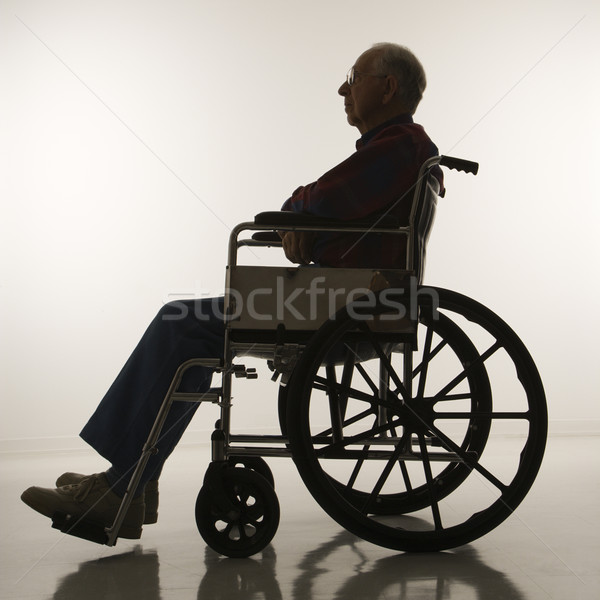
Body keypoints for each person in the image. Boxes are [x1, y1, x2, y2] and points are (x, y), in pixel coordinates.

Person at [21, 43, 443, 540]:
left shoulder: (397, 148)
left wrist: (302, 218)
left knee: (180, 323)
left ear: (388, 86)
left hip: (342, 304)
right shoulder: (398, 151)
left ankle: (125, 485)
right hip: (344, 297)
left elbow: (317, 199)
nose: (342, 88)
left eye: (354, 76)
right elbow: (335, 213)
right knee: (190, 330)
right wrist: (309, 226)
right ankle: (131, 481)